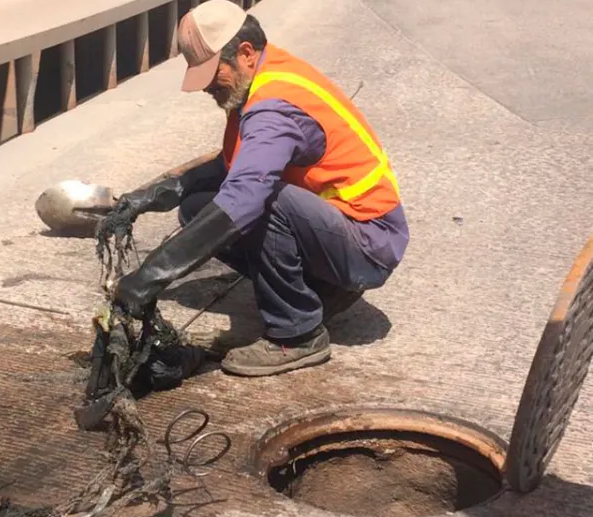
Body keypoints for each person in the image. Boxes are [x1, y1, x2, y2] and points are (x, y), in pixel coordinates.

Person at [104, 0, 409, 377]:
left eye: (213, 74)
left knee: (262, 203)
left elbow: (246, 196)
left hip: (368, 243)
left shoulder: (273, 107)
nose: (206, 89)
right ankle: (319, 288)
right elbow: (230, 165)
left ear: (245, 53)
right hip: (342, 229)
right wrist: (149, 197)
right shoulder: (262, 76)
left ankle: (297, 334)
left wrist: (149, 275)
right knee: (198, 207)